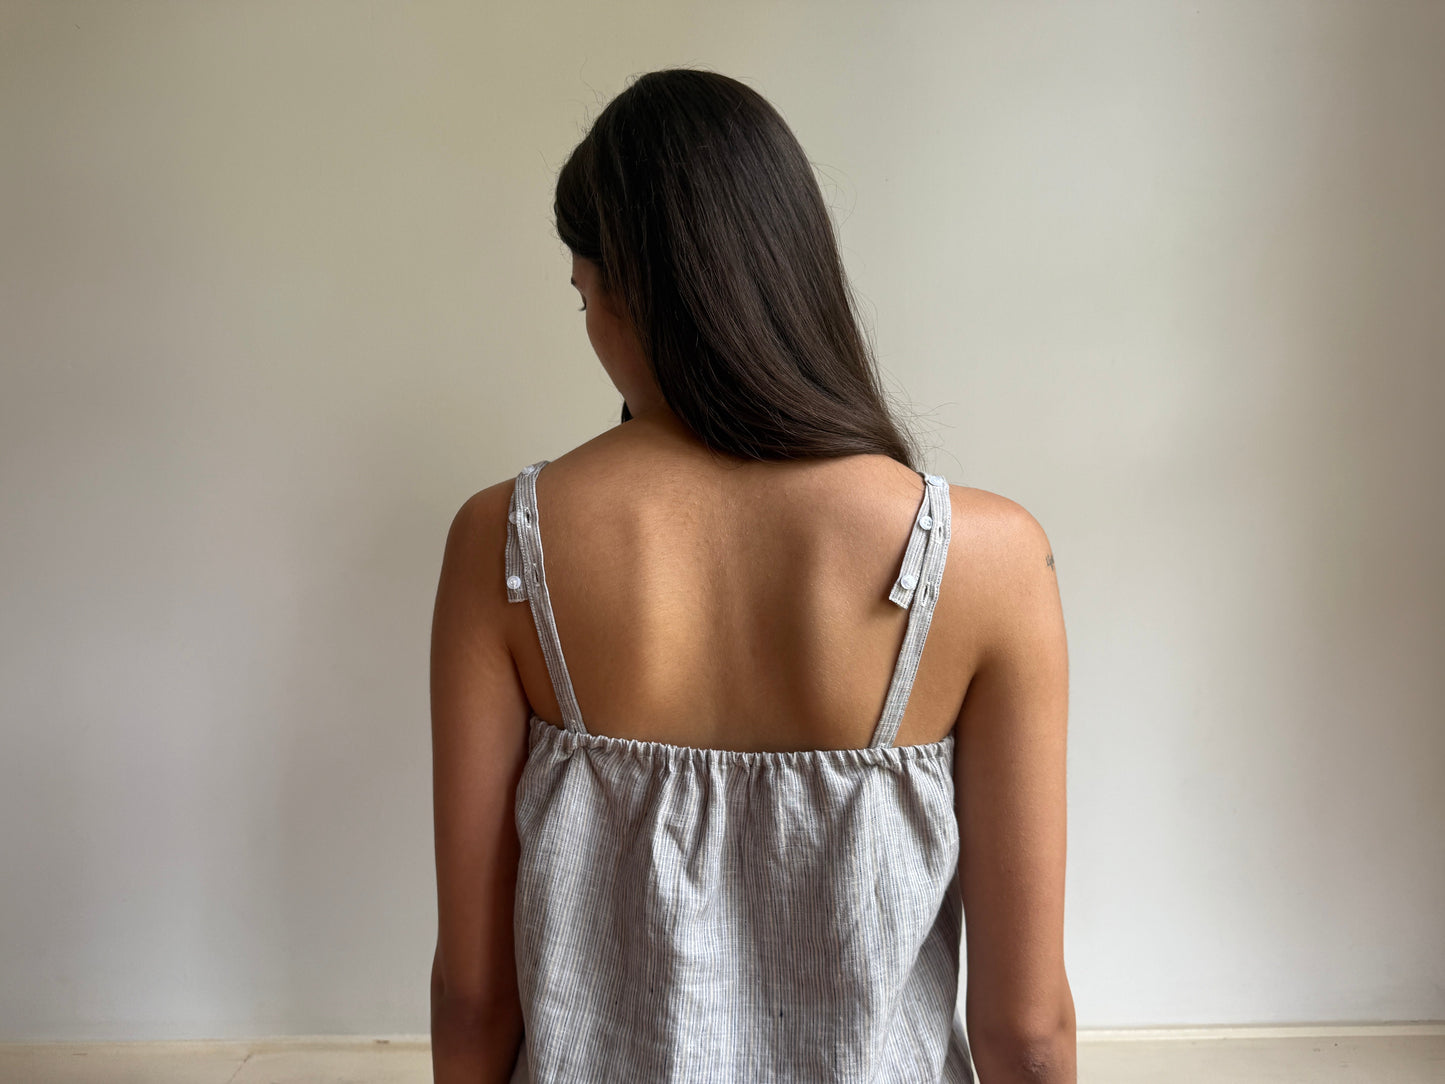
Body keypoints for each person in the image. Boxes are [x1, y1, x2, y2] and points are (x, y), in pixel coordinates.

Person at [429, 68, 1075, 1084]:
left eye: (582, 294)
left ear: (622, 289)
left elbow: (475, 999)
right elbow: (1025, 1033)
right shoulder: (987, 556)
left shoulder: (507, 543)